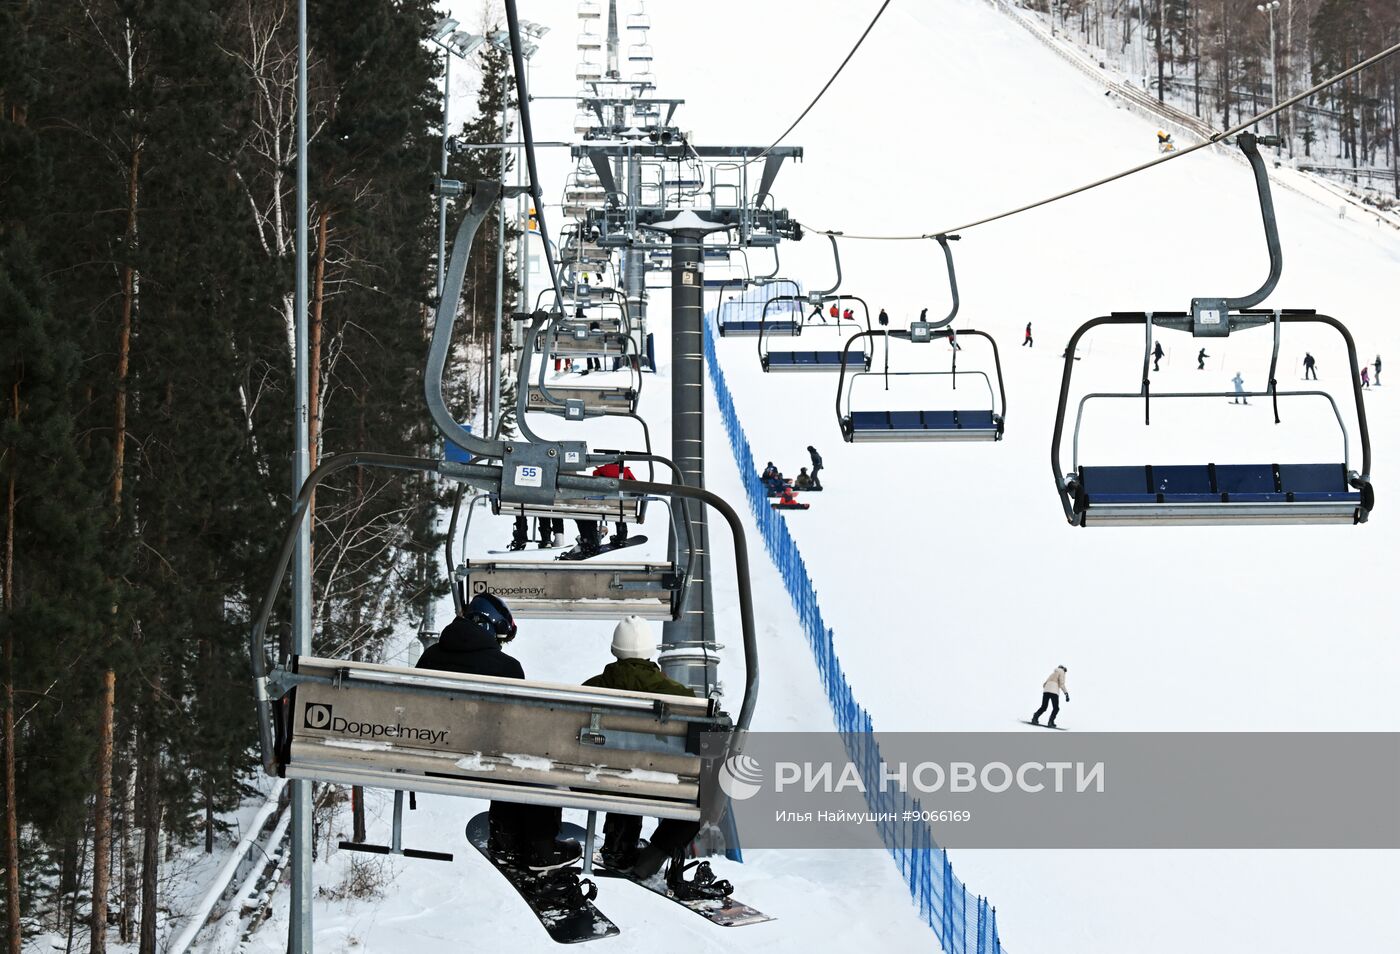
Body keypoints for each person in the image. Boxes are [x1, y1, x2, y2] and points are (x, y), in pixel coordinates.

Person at [418, 594, 581, 870]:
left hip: (430, 757)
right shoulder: (506, 668)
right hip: (482, 762)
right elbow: (518, 730)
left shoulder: (429, 657)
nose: (500, 644)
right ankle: (537, 845)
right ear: (490, 627)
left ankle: (506, 840)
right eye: (501, 637)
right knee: (531, 754)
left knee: (506, 753)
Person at [586, 618, 702, 877]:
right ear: (651, 650)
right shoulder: (680, 695)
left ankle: (619, 847)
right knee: (706, 792)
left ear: (615, 649)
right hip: (660, 781)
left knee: (621, 767)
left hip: (596, 779)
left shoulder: (589, 689)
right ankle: (655, 854)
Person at [592, 460, 637, 545]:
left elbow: (594, 489)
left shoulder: (598, 472)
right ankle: (621, 537)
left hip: (602, 506)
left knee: (593, 509)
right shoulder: (626, 472)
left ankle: (592, 537)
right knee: (620, 511)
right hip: (620, 507)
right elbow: (636, 486)